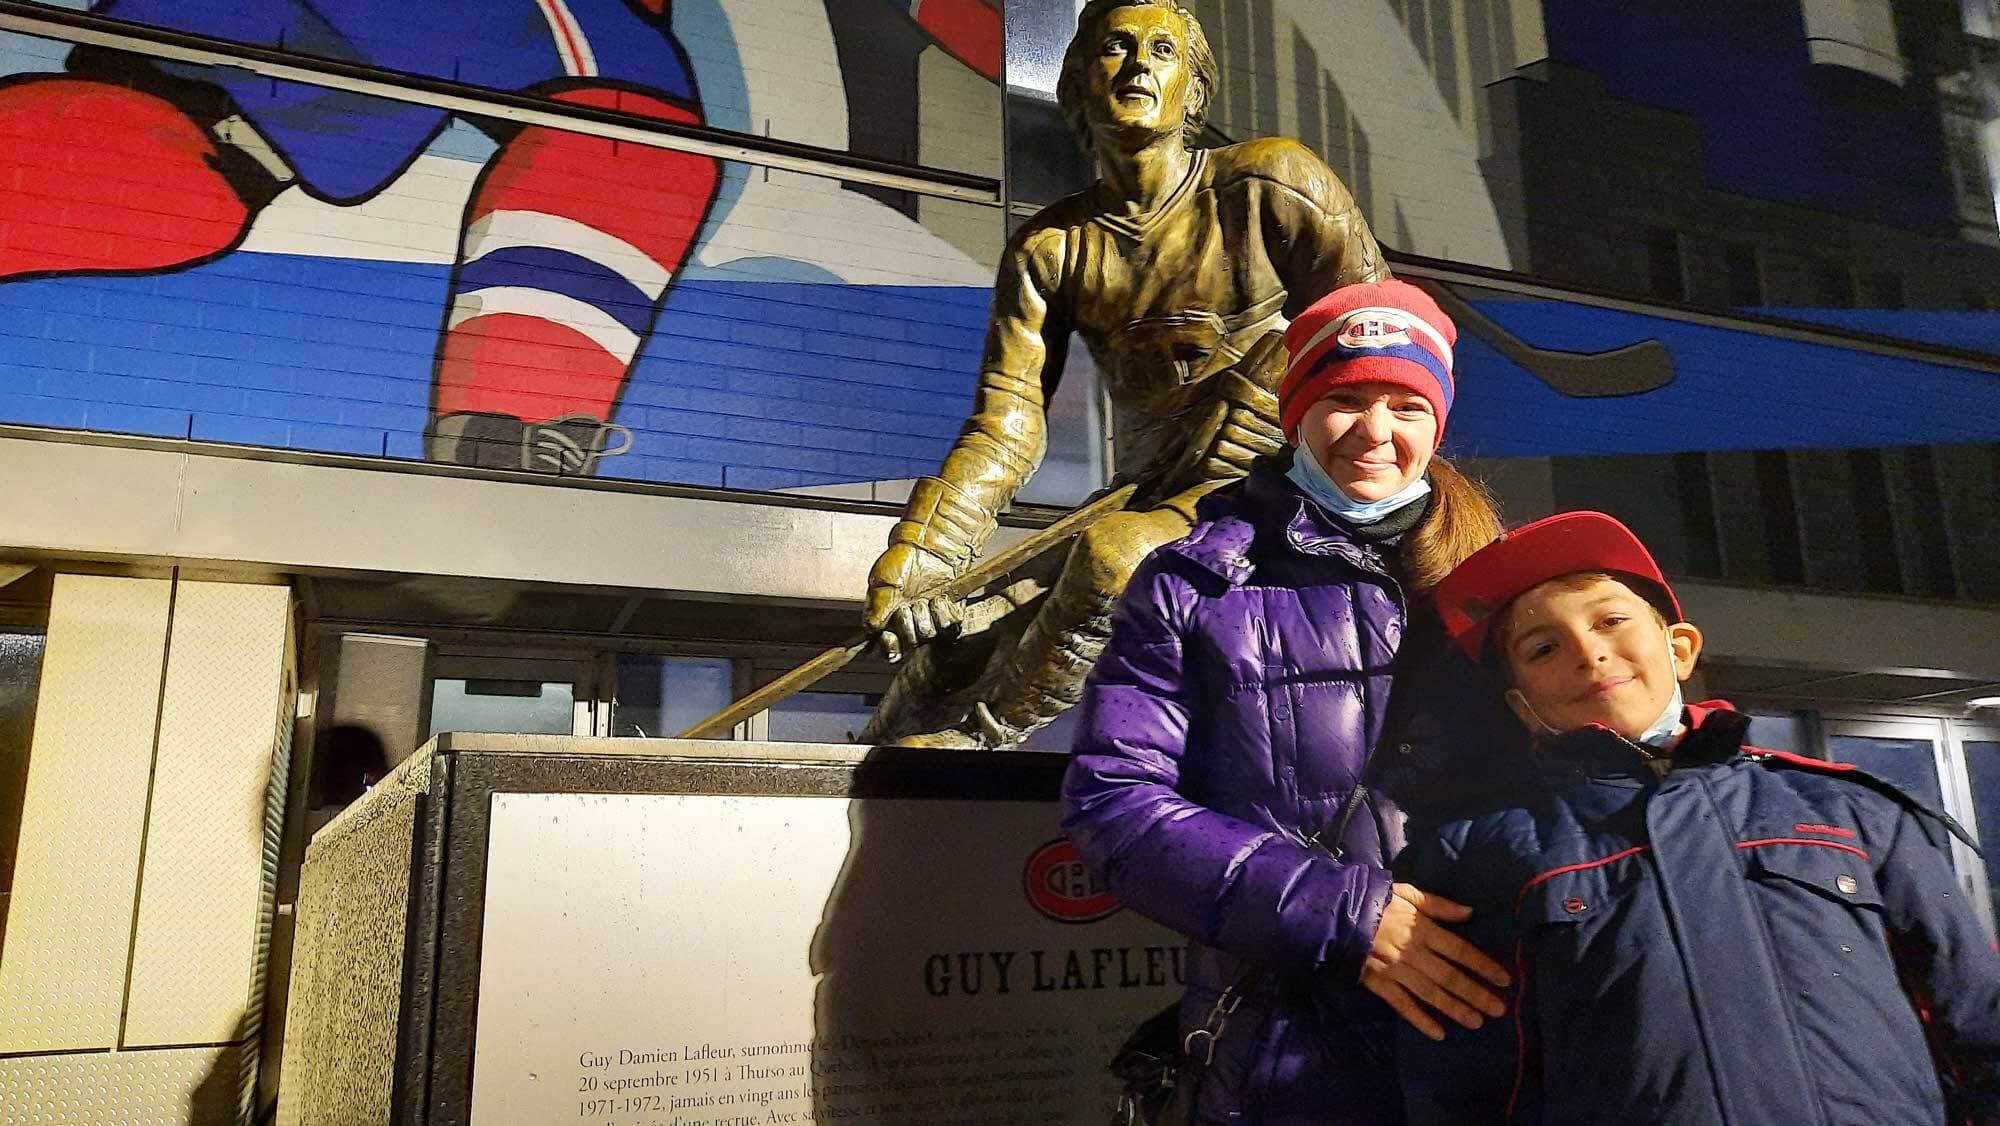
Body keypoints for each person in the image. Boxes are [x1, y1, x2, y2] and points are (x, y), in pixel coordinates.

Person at [860, 0, 1389, 749]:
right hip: (1153, 491)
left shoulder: (1273, 182)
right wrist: (925, 555)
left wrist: (1289, 419)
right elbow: (1008, 424)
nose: (1139, 64)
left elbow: (1384, 336)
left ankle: (982, 742)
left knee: (1111, 558)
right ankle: (873, 768)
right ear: (1076, 84)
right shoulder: (1050, 249)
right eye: (1115, 46)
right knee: (953, 637)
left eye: (1162, 50)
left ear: (1194, 92)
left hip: (1280, 488)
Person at [1063, 278, 1518, 1123]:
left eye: (1407, 406)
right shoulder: (1194, 580)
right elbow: (1112, 803)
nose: (1376, 432)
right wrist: (1343, 910)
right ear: (1295, 412)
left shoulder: (1505, 578)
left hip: (1501, 1035)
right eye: (1345, 398)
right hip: (1284, 1054)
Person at [1397, 510, 2000, 1124]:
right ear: (1522, 706)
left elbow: (1976, 1024)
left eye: (1611, 620)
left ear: (1679, 649)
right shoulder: (1473, 857)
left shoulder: (1849, 809)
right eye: (1544, 647)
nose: (1588, 652)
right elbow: (1461, 1085)